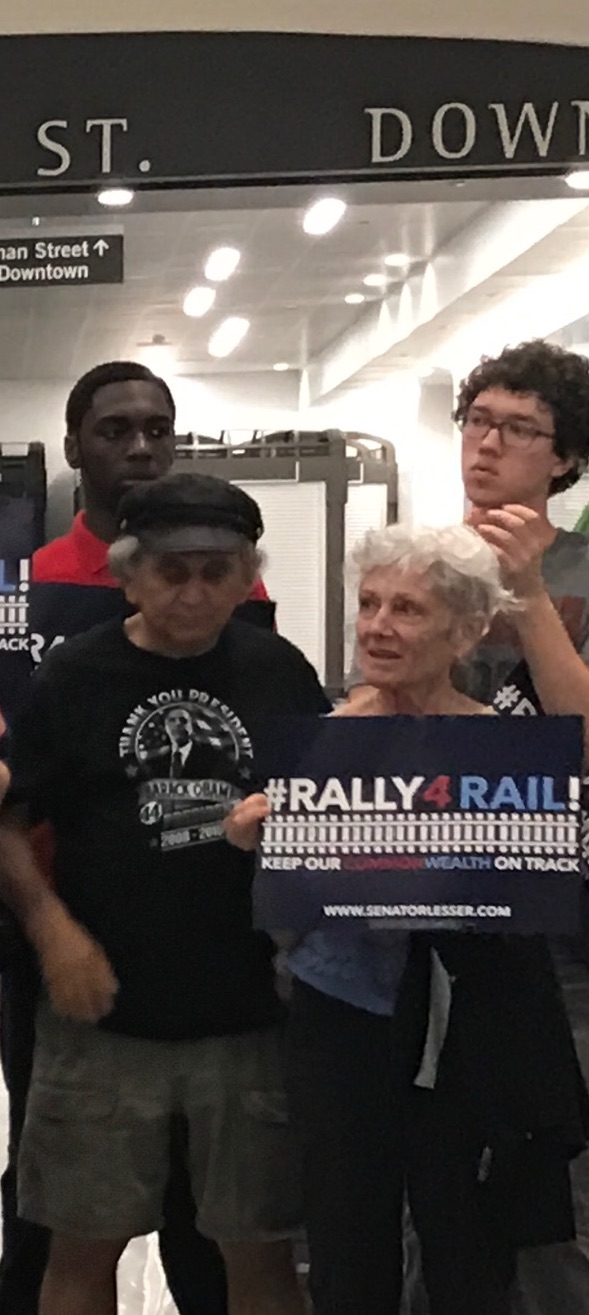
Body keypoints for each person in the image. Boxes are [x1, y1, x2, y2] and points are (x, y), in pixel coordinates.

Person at [0, 473, 325, 1315]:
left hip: (248, 1018)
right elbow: (1, 821)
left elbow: (328, 821)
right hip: (100, 1018)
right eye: (172, 570)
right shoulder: (73, 675)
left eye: (217, 570)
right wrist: (53, 933)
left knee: (260, 1258)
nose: (195, 591)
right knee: (78, 1253)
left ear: (248, 579)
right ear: (127, 574)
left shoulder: (280, 672)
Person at [267, 522, 584, 1314]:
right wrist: (264, 839)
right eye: (368, 603)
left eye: (406, 608)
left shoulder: (511, 751)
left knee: (470, 1250)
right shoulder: (320, 740)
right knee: (345, 1247)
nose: (375, 625)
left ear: (466, 629)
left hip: (472, 1026)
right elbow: (284, 913)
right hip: (344, 1018)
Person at [440, 339, 589, 1315]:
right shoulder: (428, 558)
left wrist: (527, 595)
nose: (487, 444)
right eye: (476, 421)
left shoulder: (574, 570)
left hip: (568, 938)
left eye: (518, 429)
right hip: (451, 925)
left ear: (564, 458)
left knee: (566, 1214)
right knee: (455, 1215)